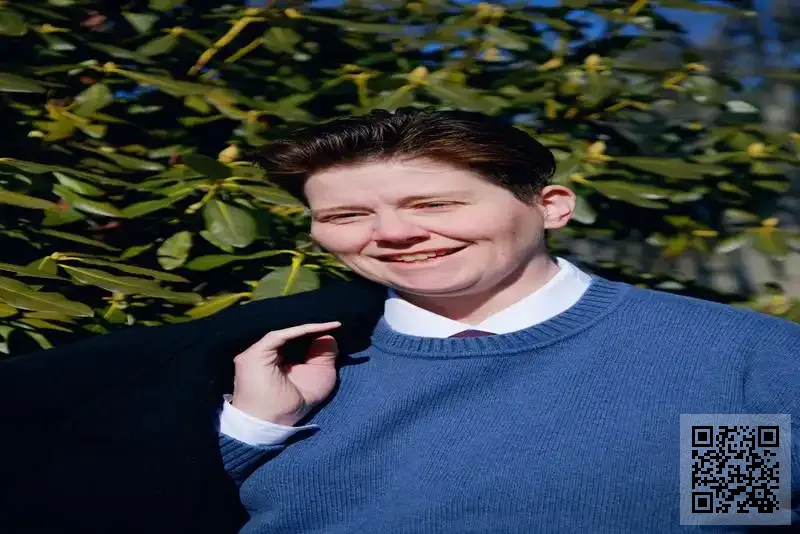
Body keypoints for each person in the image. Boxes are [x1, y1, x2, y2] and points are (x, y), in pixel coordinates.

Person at [0, 108, 796, 534]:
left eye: (434, 203)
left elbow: (737, 523)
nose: (393, 234)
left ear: (551, 205)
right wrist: (251, 433)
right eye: (346, 215)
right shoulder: (268, 362)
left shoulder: (727, 359)